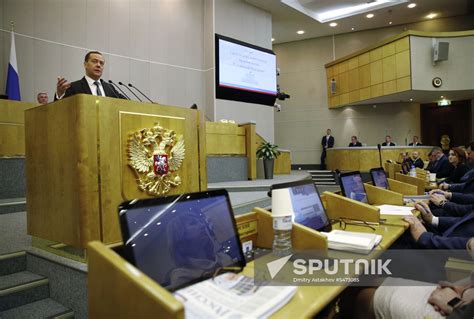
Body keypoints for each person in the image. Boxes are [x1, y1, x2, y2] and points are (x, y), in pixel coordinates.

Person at [55, 51, 126, 100]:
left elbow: (126, 103)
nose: (98, 65)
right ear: (85, 64)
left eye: (101, 63)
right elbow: (60, 109)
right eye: (94, 61)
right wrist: (60, 94)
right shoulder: (74, 87)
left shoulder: (110, 88)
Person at [402, 201, 473, 249]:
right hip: (443, 239)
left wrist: (424, 238)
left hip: (447, 258)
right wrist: (432, 220)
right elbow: (468, 221)